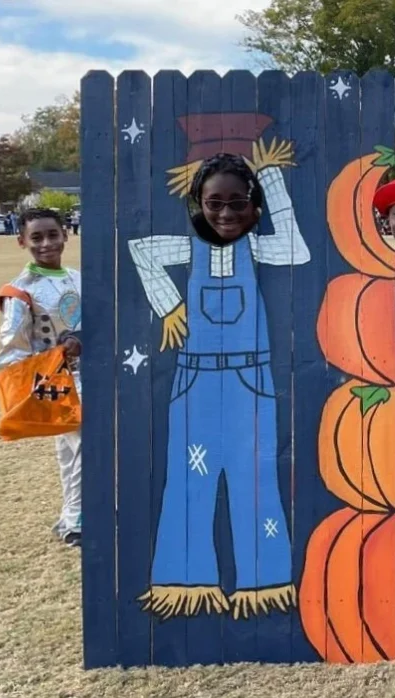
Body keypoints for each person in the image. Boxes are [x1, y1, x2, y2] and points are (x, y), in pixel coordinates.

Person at [129, 153, 309, 620]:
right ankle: (183, 581)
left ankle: (263, 581)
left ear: (254, 206)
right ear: (197, 205)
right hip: (196, 379)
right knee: (189, 481)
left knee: (257, 476)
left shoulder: (257, 248)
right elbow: (142, 251)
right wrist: (169, 305)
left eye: (237, 203)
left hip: (251, 378)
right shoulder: (190, 248)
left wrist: (269, 175)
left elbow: (296, 248)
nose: (226, 214)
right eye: (214, 204)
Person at [0, 208, 82, 547]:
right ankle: (77, 519)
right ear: (22, 242)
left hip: (93, 379)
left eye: (52, 235)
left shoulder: (78, 277)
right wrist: (54, 359)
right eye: (37, 237)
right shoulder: (20, 291)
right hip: (58, 384)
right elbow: (12, 351)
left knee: (75, 451)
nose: (46, 243)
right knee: (81, 449)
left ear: (65, 234)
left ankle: (75, 513)